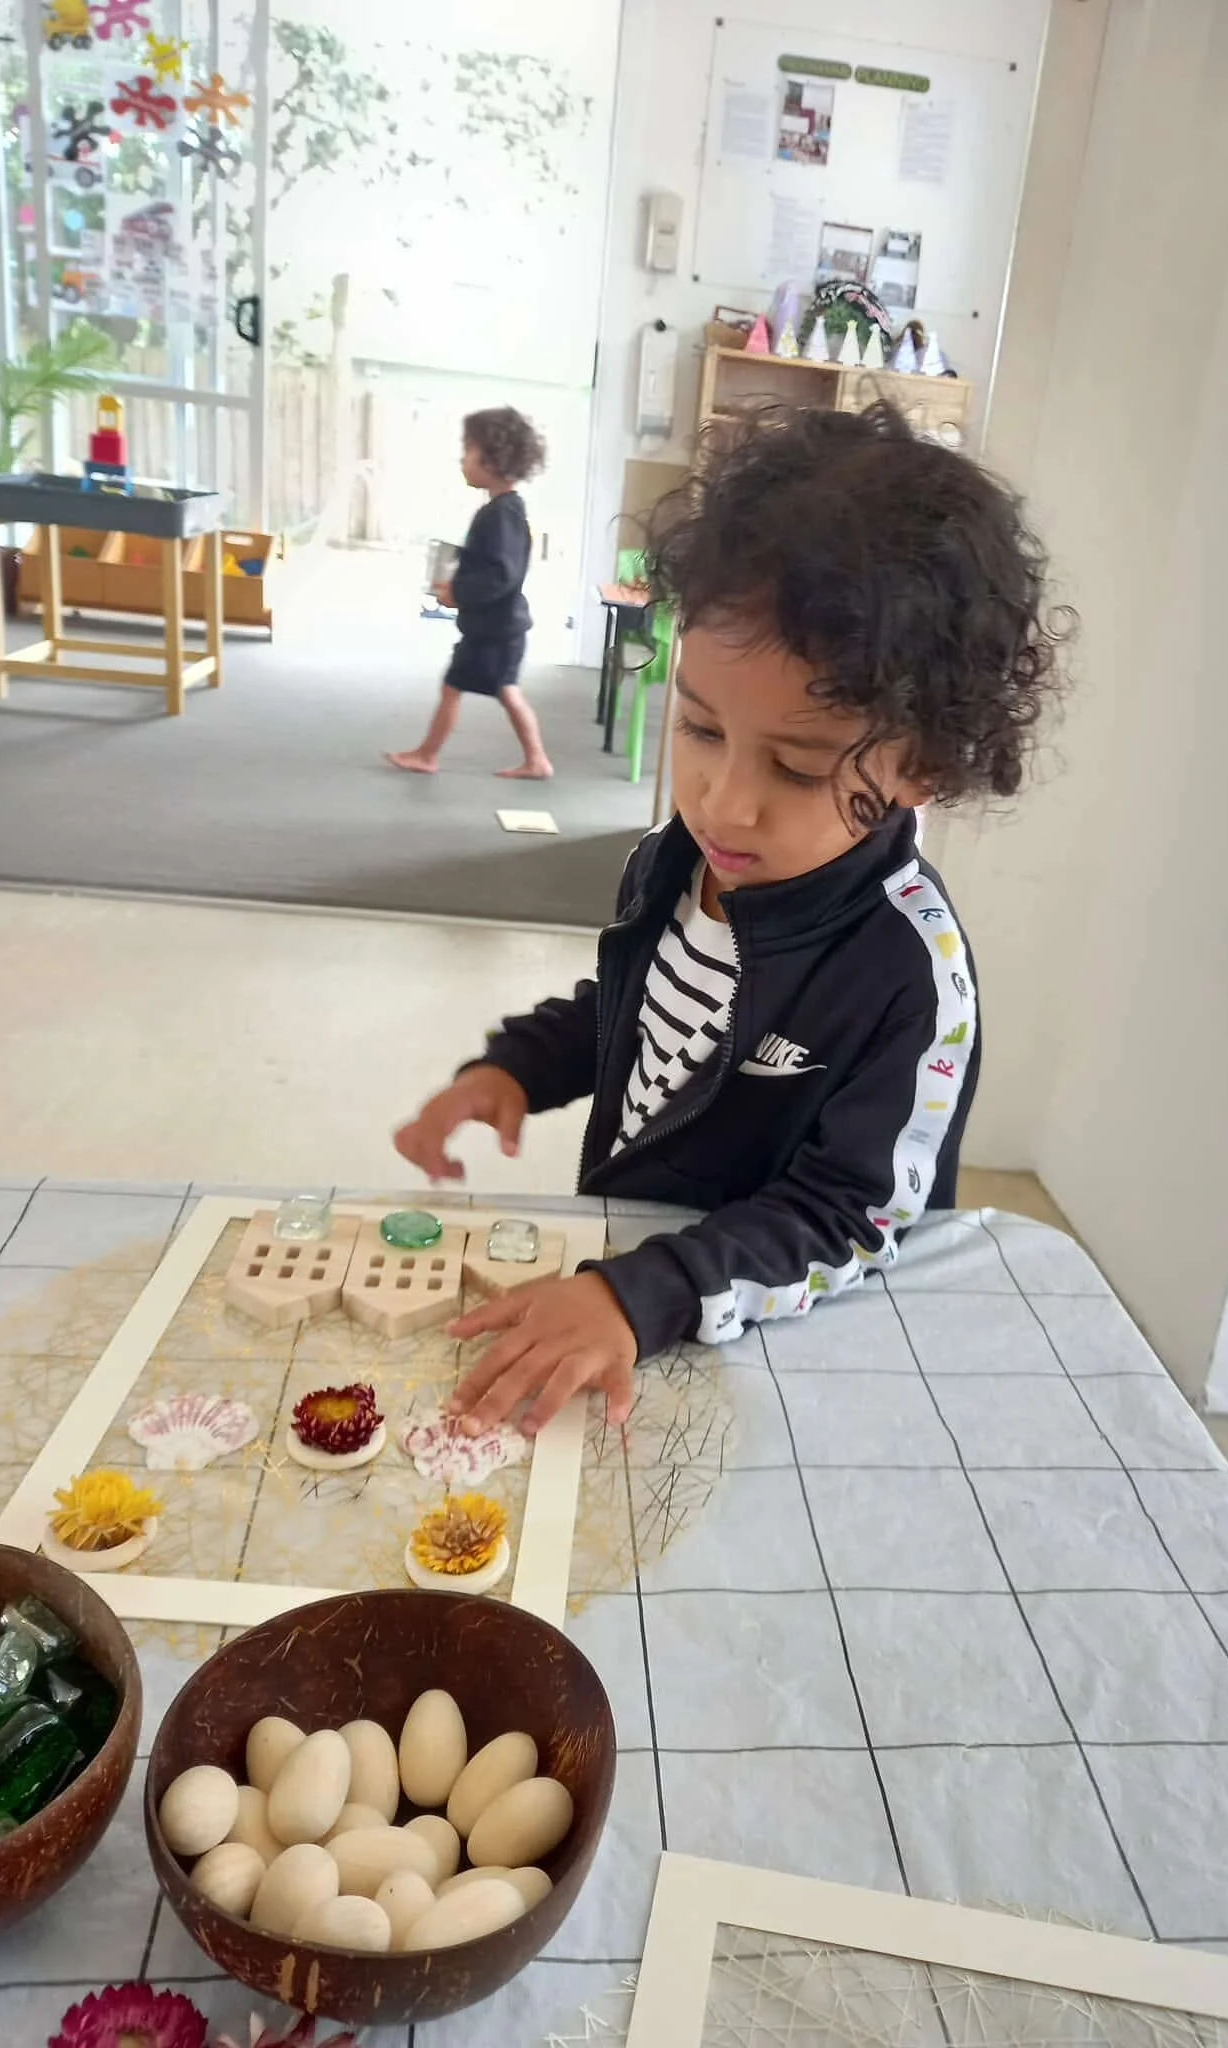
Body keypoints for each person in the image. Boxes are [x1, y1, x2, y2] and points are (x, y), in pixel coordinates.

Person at [394, 402, 1067, 1435]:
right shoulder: (678, 859)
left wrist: (639, 1292)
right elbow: (635, 1011)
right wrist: (517, 1066)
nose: (723, 800)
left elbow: (853, 1215)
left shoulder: (907, 974)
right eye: (701, 728)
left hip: (787, 1335)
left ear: (920, 763)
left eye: (796, 766)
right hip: (637, 1307)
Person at [386, 406, 553, 779]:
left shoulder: (501, 514)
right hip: (493, 627)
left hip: (497, 630)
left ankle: (531, 760)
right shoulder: (501, 510)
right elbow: (490, 565)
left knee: (490, 690)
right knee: (482, 688)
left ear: (492, 459)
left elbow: (501, 574)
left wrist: (458, 593)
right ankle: (433, 753)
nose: (462, 460)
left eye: (468, 451)